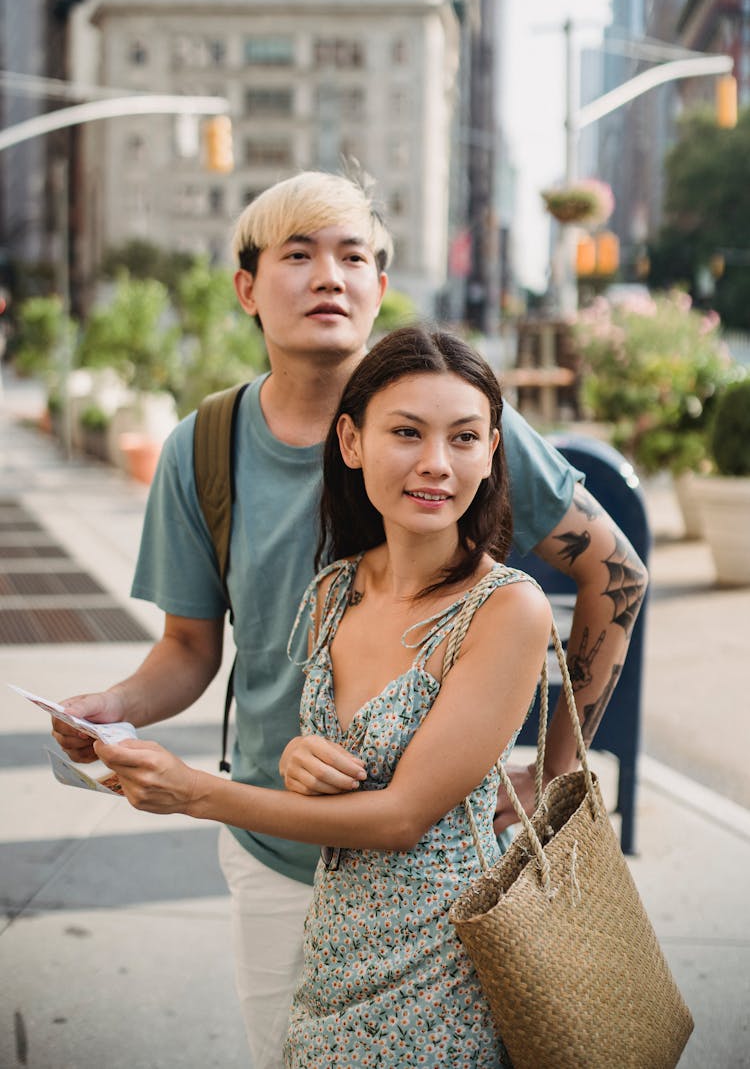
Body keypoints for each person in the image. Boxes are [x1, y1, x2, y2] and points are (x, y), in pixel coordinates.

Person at [52, 169, 648, 1068]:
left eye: (354, 256)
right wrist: (113, 703)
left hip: (434, 890)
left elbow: (617, 573)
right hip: (272, 849)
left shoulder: (454, 417)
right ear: (248, 289)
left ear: (379, 286)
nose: (329, 275)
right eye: (299, 254)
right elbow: (188, 647)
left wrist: (553, 772)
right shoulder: (202, 448)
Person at [92, 325, 553, 1067]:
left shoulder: (507, 608)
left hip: (440, 966)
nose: (437, 463)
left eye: (465, 437)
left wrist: (195, 792)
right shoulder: (335, 588)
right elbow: (344, 757)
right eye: (407, 432)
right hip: (332, 951)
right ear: (351, 440)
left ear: (492, 450)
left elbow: (402, 816)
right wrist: (304, 754)